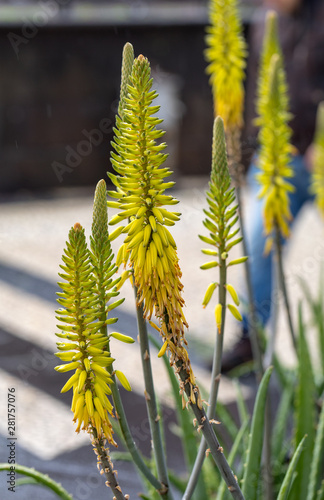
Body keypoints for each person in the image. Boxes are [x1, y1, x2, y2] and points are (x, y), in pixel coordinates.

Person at [221, 0, 324, 372]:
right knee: (256, 245)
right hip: (276, 155)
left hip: (320, 155)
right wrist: (251, 149)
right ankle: (253, 340)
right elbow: (258, 89)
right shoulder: (269, 19)